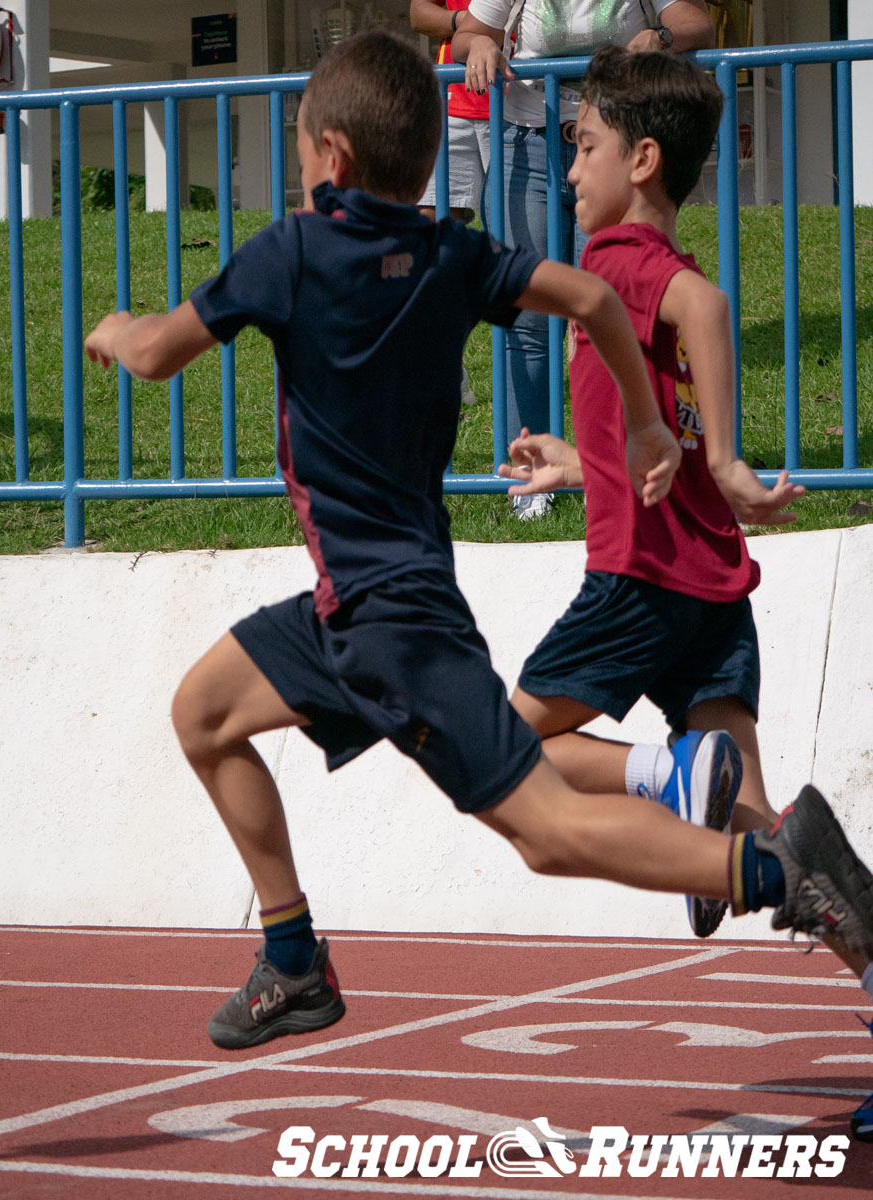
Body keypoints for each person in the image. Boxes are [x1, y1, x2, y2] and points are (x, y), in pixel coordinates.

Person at [84, 31, 873, 1058]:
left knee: (544, 830)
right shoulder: (454, 255)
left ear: (331, 156)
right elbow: (587, 298)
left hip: (396, 622)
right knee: (203, 712)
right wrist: (641, 423)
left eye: (296, 145)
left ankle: (770, 872)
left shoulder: (290, 253)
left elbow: (150, 356)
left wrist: (109, 325)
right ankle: (291, 958)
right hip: (346, 611)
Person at [497, 48, 873, 1128]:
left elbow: (703, 311)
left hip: (640, 584)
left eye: (584, 149)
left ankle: (668, 768)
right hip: (712, 595)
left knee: (506, 745)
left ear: (642, 160)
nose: (570, 174)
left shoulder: (617, 261)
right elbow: (651, 412)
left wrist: (725, 464)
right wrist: (579, 464)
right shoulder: (631, 265)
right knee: (767, 843)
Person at [453, 0, 715, 519]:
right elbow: (466, 33)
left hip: (618, 147)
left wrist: (659, 37)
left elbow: (697, 23)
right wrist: (481, 42)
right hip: (528, 146)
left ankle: (626, 469)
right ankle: (532, 481)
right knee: (527, 314)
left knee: (612, 313)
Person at [411, 0, 492, 408]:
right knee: (430, 246)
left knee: (516, 246)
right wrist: (466, 24)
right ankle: (444, 376)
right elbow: (418, 13)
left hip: (523, 104)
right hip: (453, 102)